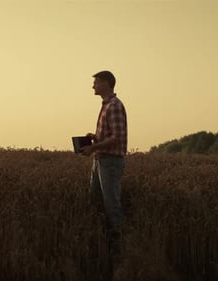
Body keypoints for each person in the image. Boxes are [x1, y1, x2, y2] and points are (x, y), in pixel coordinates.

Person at [81, 70, 127, 273]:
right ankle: (102, 244)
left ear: (107, 84)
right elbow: (110, 136)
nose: (93, 86)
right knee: (95, 200)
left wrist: (93, 148)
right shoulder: (106, 105)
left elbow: (117, 138)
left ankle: (118, 252)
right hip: (101, 160)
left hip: (110, 162)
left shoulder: (115, 106)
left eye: (96, 82)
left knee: (112, 206)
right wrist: (96, 138)